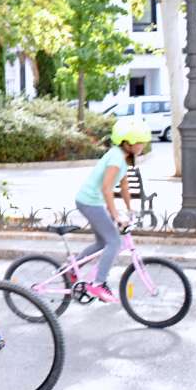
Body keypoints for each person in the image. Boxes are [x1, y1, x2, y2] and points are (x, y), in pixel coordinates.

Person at [72, 118, 152, 304]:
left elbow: (124, 186)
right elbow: (106, 189)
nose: (142, 145)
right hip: (89, 202)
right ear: (127, 142)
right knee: (114, 242)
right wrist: (116, 216)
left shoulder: (122, 157)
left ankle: (71, 270)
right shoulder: (116, 157)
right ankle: (98, 284)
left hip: (93, 202)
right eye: (139, 142)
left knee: (102, 242)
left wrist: (130, 209)